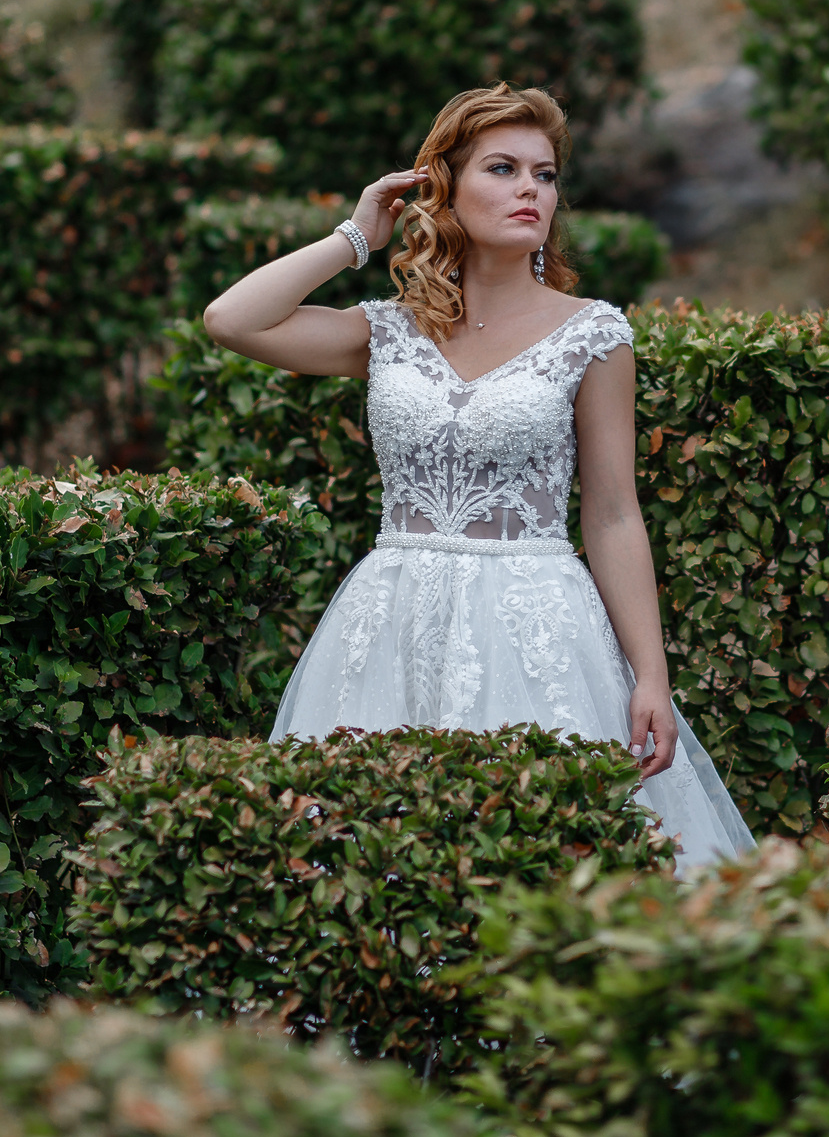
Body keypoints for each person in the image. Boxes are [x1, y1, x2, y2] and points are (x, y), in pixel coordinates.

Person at [201, 83, 755, 868]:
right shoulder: (388, 329)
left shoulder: (592, 334)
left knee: (536, 858)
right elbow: (231, 319)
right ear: (444, 186)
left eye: (547, 173)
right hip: (389, 622)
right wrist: (355, 238)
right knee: (370, 854)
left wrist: (651, 677)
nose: (532, 187)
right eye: (503, 167)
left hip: (535, 628)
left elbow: (612, 515)